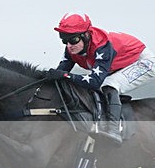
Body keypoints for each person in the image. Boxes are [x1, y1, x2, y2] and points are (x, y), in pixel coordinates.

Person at [46, 13, 155, 145]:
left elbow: (94, 81)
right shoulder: (71, 49)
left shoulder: (102, 46)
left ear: (86, 35)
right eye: (65, 41)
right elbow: (60, 73)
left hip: (143, 62)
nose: (69, 45)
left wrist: (65, 76)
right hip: (118, 65)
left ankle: (113, 130)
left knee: (109, 84)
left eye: (73, 40)